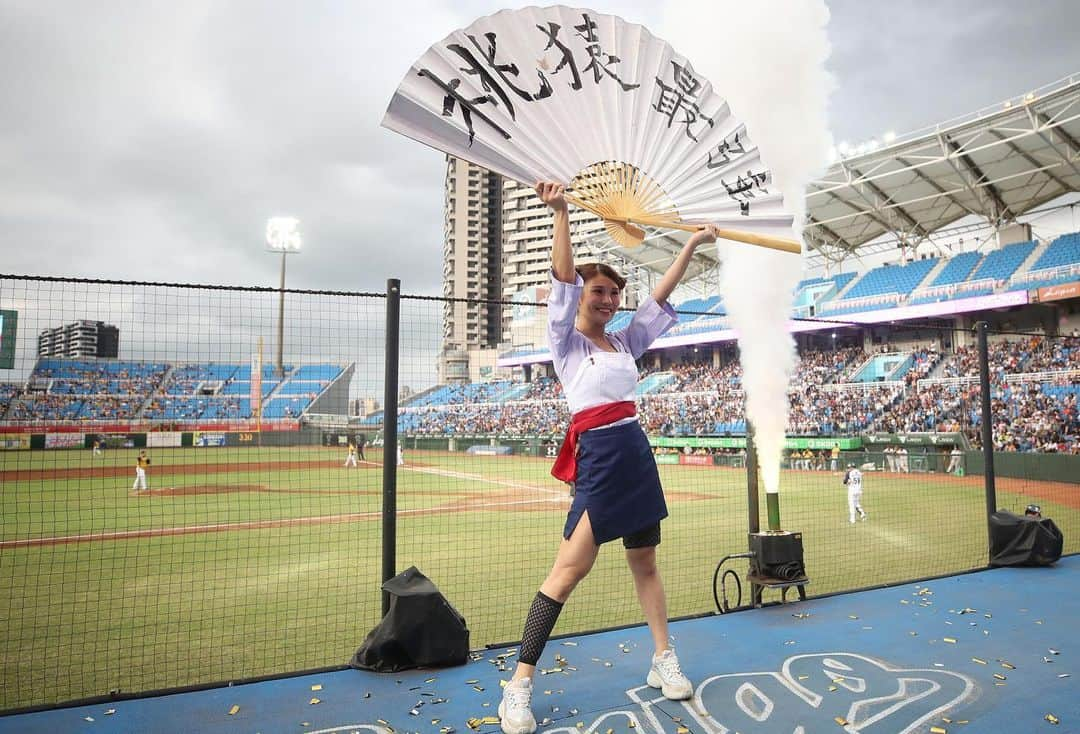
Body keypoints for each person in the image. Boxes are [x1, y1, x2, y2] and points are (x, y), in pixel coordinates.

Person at [498, 181, 714, 734]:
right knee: (568, 571)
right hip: (597, 459)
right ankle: (518, 684)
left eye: (613, 293)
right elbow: (563, 278)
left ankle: (663, 658)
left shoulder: (624, 343)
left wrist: (689, 244)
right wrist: (563, 213)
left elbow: (659, 299)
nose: (607, 299)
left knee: (645, 563)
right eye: (598, 291)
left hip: (636, 454)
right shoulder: (564, 342)